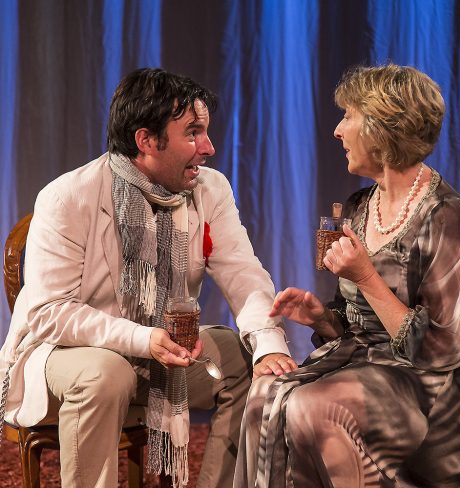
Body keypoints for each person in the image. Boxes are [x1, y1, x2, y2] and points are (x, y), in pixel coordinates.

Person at [0, 68, 298, 488]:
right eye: (193, 133)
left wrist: (268, 346)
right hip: (66, 356)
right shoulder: (68, 197)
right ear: (145, 140)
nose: (209, 147)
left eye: (207, 132)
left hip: (157, 353)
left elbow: (243, 272)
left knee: (242, 357)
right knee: (106, 372)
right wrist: (143, 338)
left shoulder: (210, 189)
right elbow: (50, 313)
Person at [233, 64, 460, 487]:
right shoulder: (359, 206)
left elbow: (442, 350)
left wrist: (366, 277)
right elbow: (359, 321)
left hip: (430, 389)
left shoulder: (445, 215)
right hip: (364, 365)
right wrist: (323, 317)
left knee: (316, 408)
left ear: (381, 127)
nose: (338, 131)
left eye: (349, 117)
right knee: (264, 395)